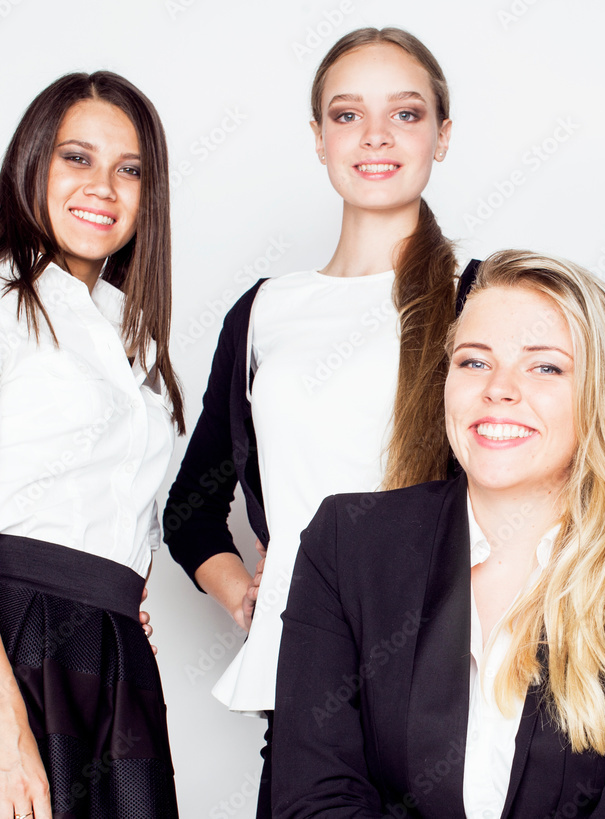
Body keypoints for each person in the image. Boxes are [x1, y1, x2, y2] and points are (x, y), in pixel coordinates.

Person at [272, 249, 605, 818]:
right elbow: (315, 797)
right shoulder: (348, 544)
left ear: (598, 395)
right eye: (475, 362)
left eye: (545, 367)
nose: (499, 389)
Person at [163, 27, 472, 816]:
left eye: (405, 113)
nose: (375, 136)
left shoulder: (482, 298)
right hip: (307, 680)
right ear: (318, 137)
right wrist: (250, 596)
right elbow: (191, 509)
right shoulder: (265, 311)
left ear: (442, 135)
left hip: (454, 680)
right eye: (347, 114)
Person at [0, 71, 183, 818]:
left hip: (113, 657)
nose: (103, 187)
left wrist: (115, 597)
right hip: (6, 642)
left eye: (130, 169)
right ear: (31, 163)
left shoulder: (134, 336)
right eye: (76, 157)